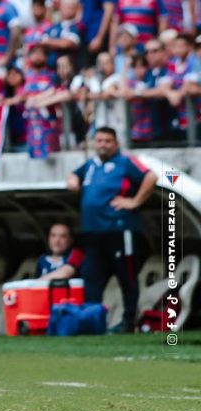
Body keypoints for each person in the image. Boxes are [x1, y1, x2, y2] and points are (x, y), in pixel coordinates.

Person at [66, 126, 158, 333]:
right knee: (91, 274)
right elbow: (73, 175)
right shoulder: (91, 165)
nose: (103, 145)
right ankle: (92, 322)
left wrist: (134, 201)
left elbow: (151, 177)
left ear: (116, 143)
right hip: (92, 232)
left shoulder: (125, 162)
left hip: (119, 229)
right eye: (99, 141)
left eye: (108, 141)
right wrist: (72, 179)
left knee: (126, 276)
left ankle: (128, 322)